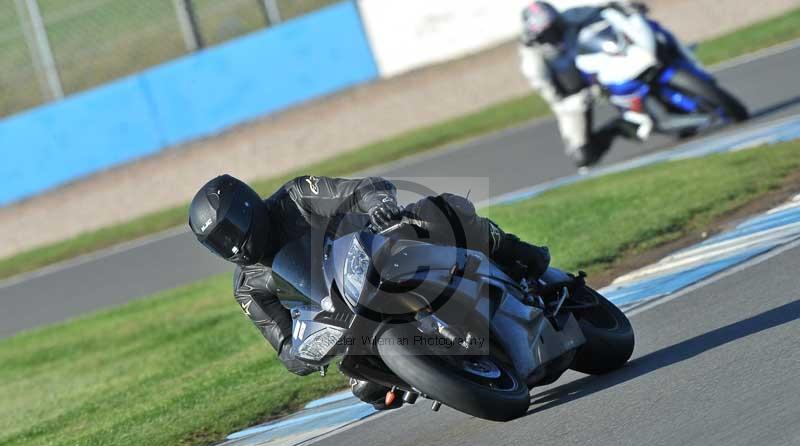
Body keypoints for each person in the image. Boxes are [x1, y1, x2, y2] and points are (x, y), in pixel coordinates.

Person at [188, 174, 551, 409]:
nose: (233, 246)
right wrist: (309, 351)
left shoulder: (296, 196)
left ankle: (515, 251)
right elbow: (284, 347)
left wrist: (380, 207)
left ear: (248, 208)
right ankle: (436, 376)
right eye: (220, 242)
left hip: (383, 255)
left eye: (231, 230)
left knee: (439, 213)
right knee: (366, 388)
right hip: (347, 322)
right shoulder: (248, 288)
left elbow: (361, 189)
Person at [518, 1, 644, 168]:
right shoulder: (532, 59)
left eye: (555, 27)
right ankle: (620, 128)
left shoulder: (572, 16)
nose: (553, 35)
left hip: (602, 72)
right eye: (546, 33)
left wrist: (625, 8)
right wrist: (567, 102)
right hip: (574, 96)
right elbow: (551, 96)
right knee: (582, 156)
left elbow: (604, 10)